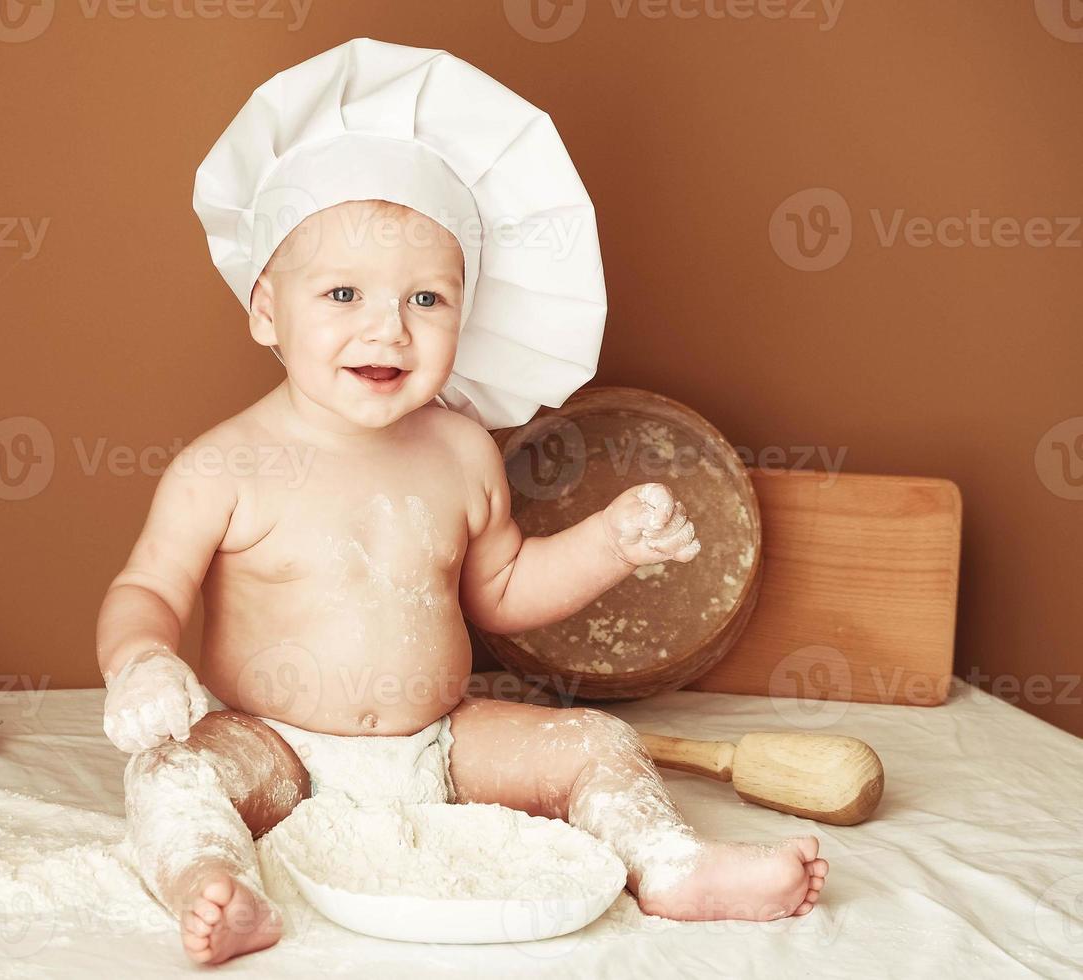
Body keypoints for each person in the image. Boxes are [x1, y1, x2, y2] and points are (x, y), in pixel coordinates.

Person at [98, 39, 826, 966]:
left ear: (465, 314)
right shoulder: (227, 465)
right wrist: (139, 661)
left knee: (592, 740)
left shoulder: (458, 451)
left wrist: (609, 543)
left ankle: (670, 864)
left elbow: (503, 591)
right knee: (170, 772)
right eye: (344, 292)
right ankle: (215, 882)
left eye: (428, 299)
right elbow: (150, 587)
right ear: (265, 309)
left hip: (439, 747)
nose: (387, 327)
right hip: (273, 748)